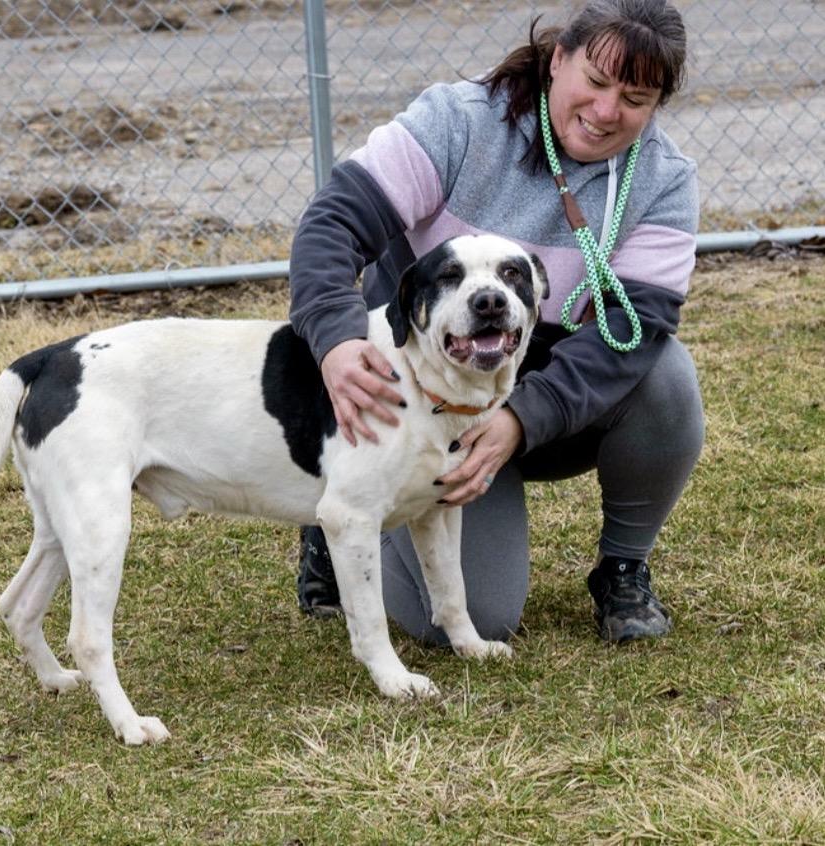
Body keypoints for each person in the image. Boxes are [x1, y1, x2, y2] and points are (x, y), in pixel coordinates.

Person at [287, 0, 704, 644]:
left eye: (634, 97)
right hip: (424, 393)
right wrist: (338, 341)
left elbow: (635, 331)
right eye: (594, 82)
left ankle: (624, 567)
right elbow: (331, 225)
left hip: (540, 394)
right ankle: (342, 514)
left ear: (656, 106)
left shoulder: (664, 180)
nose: (605, 112)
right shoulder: (457, 121)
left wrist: (519, 420)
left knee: (666, 374)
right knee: (477, 619)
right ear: (558, 58)